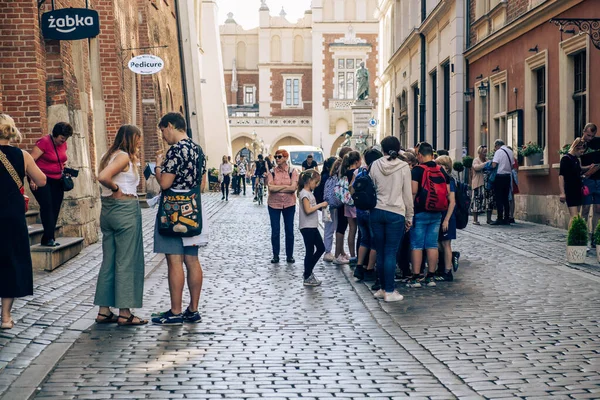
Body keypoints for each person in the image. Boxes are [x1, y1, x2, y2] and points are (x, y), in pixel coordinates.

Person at [152, 112, 204, 325]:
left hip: (173, 214)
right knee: (192, 260)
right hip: (193, 210)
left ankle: (175, 311)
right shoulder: (197, 149)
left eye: (163, 130)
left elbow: (164, 183)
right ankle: (193, 310)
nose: (163, 136)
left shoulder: (175, 151)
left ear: (171, 126)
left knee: (174, 261)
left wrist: (157, 167)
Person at [95, 125, 147, 326]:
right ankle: (125, 313)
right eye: (138, 139)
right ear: (131, 139)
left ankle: (104, 310)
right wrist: (116, 187)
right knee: (127, 260)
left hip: (108, 211)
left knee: (109, 260)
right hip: (124, 210)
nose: (140, 143)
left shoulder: (108, 155)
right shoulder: (123, 156)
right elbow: (103, 178)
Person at [0, 114, 47, 329]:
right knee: (12, 262)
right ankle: (6, 318)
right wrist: (26, 176)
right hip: (12, 216)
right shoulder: (23, 155)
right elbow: (42, 180)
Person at [369, 136, 413, 302]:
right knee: (390, 252)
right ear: (398, 148)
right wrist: (409, 216)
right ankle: (389, 290)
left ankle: (381, 288)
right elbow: (407, 195)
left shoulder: (375, 164)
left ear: (383, 149)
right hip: (396, 212)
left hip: (377, 210)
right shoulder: (403, 167)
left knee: (380, 252)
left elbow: (372, 187)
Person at [407, 142, 450, 288]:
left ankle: (415, 277)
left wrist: (410, 211)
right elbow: (448, 192)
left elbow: (413, 192)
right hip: (437, 212)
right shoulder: (441, 170)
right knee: (432, 244)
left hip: (420, 211)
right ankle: (430, 277)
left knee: (417, 244)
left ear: (419, 155)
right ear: (432, 154)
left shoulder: (417, 170)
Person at [29, 122, 73, 246]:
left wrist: (65, 170)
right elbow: (30, 161)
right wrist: (33, 179)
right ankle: (49, 238)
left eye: (66, 139)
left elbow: (62, 160)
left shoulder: (63, 144)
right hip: (41, 180)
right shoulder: (44, 142)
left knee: (55, 207)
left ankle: (49, 237)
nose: (63, 141)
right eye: (62, 138)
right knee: (47, 206)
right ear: (55, 135)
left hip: (57, 180)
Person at [353, 148, 382, 282]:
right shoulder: (376, 172)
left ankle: (359, 266)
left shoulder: (360, 172)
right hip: (372, 210)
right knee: (374, 241)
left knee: (364, 239)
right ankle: (370, 269)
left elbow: (351, 189)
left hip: (360, 210)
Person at [266, 149, 299, 264]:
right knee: (275, 231)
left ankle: (289, 255)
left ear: (285, 158)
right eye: (276, 157)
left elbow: (293, 188)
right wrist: (286, 187)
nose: (277, 159)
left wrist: (278, 187)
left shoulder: (292, 171)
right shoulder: (272, 172)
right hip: (273, 204)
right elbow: (271, 188)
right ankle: (276, 255)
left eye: (279, 157)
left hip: (289, 204)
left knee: (289, 230)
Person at [297, 169, 328, 286]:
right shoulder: (304, 194)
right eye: (315, 182)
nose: (316, 185)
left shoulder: (308, 193)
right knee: (310, 251)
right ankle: (307, 274)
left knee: (320, 248)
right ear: (309, 181)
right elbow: (308, 210)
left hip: (312, 226)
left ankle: (308, 272)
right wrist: (320, 205)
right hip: (307, 226)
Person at [434, 155, 457, 282]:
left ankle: (447, 272)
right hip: (440, 214)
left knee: (446, 243)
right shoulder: (440, 179)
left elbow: (452, 202)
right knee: (438, 243)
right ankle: (449, 261)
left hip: (447, 215)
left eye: (439, 165)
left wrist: (447, 219)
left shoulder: (450, 181)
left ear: (446, 167)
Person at [560, 137, 592, 217]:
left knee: (577, 216)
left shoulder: (576, 159)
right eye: (581, 151)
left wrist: (589, 167)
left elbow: (579, 168)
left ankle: (575, 229)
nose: (582, 154)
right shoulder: (565, 159)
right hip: (570, 190)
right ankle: (572, 230)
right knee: (574, 216)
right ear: (576, 148)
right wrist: (562, 193)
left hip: (578, 189)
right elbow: (561, 176)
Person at [579, 123, 600, 245]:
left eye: (592, 136)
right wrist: (587, 170)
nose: (590, 138)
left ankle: (595, 236)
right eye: (588, 135)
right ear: (583, 132)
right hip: (587, 180)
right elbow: (575, 164)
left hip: (599, 180)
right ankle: (583, 235)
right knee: (585, 209)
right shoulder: (579, 144)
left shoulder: (598, 142)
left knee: (598, 209)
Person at [340, 151, 361, 264]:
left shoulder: (345, 172)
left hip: (347, 203)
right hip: (357, 203)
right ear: (357, 161)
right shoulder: (358, 172)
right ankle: (359, 255)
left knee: (352, 230)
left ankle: (352, 255)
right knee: (361, 231)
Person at [314, 157, 337, 262]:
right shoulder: (329, 178)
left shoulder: (323, 177)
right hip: (329, 207)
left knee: (328, 228)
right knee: (330, 228)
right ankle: (328, 251)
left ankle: (328, 251)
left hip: (325, 207)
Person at [490, 139, 514, 225]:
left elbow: (494, 164)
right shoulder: (510, 151)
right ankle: (506, 218)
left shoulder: (498, 152)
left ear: (497, 145)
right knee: (505, 198)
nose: (495, 149)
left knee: (499, 198)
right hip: (507, 177)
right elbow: (512, 165)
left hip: (499, 177)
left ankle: (499, 218)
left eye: (495, 147)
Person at [471, 145, 494, 225]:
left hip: (488, 184)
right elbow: (476, 167)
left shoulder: (487, 160)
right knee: (477, 201)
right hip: (479, 184)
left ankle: (489, 219)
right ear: (480, 152)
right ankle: (475, 220)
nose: (485, 154)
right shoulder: (476, 160)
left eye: (486, 152)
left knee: (489, 201)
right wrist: (485, 164)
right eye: (484, 152)